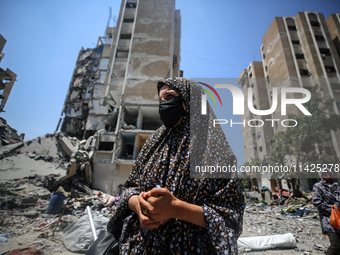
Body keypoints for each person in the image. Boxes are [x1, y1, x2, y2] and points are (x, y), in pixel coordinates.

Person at [107, 77, 245, 254]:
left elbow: (230, 216)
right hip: (141, 245)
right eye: (160, 100)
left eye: (170, 96)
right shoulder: (154, 142)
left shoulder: (214, 147)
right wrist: (139, 205)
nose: (163, 104)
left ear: (189, 101)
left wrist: (175, 208)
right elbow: (130, 188)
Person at [313, 168, 340, 255]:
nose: (328, 176)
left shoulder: (336, 186)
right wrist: (333, 209)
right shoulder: (318, 186)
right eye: (325, 175)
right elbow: (317, 202)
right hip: (328, 220)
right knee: (335, 245)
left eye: (329, 174)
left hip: (339, 218)